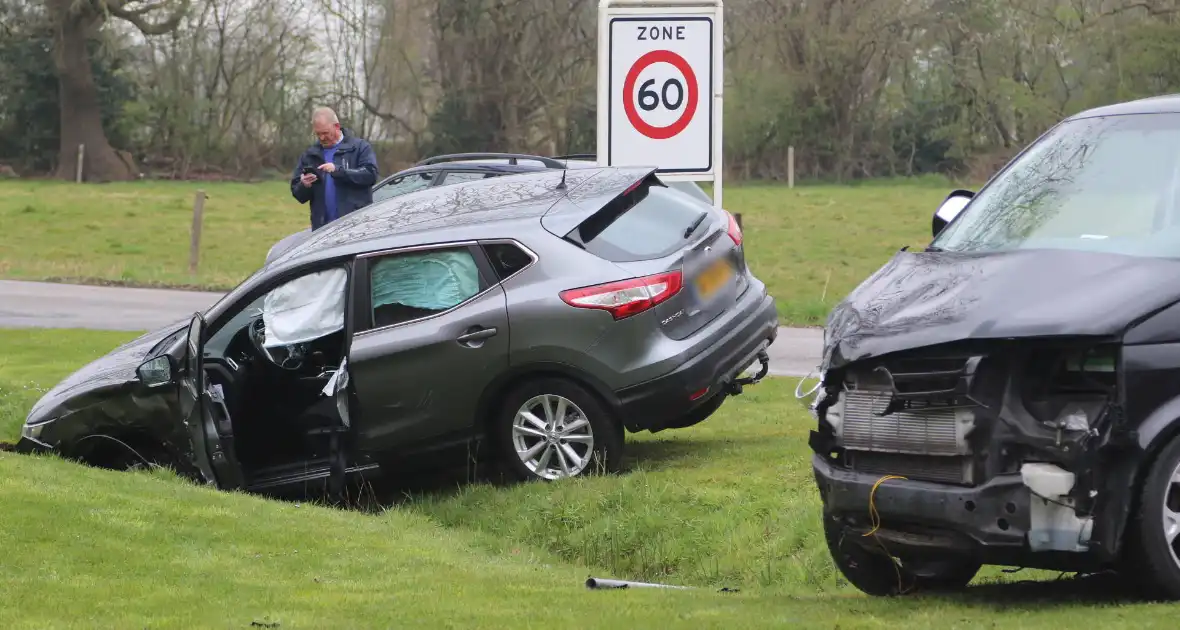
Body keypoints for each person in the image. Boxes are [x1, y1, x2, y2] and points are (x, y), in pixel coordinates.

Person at [291, 107, 380, 230]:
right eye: (318, 134)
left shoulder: (360, 148)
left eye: (325, 133)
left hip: (355, 226)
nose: (322, 138)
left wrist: (339, 171)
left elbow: (371, 175)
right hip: (322, 229)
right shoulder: (310, 155)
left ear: (337, 126)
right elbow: (298, 194)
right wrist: (304, 185)